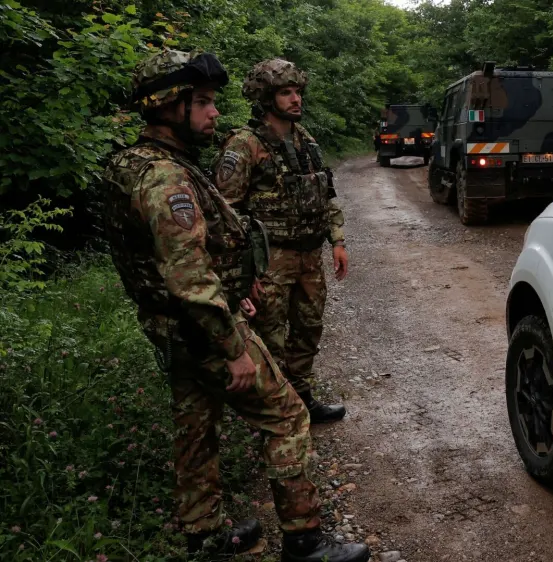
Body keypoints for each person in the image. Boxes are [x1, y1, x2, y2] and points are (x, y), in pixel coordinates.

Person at [102, 48, 369, 562]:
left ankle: (204, 535)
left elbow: (200, 249)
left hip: (174, 327)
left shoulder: (133, 163)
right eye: (202, 102)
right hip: (202, 329)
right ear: (167, 106)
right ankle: (305, 540)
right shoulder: (166, 178)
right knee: (289, 416)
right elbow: (189, 276)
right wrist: (233, 347)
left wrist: (237, 285)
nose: (213, 112)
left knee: (196, 426)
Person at [214, 59, 348, 424]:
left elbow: (326, 192)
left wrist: (337, 240)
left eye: (298, 92)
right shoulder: (244, 144)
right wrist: (244, 272)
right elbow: (226, 213)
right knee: (269, 336)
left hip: (308, 257)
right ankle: (274, 413)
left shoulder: (306, 141)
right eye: (286, 92)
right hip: (270, 260)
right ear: (265, 97)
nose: (295, 99)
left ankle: (302, 399)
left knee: (308, 328)